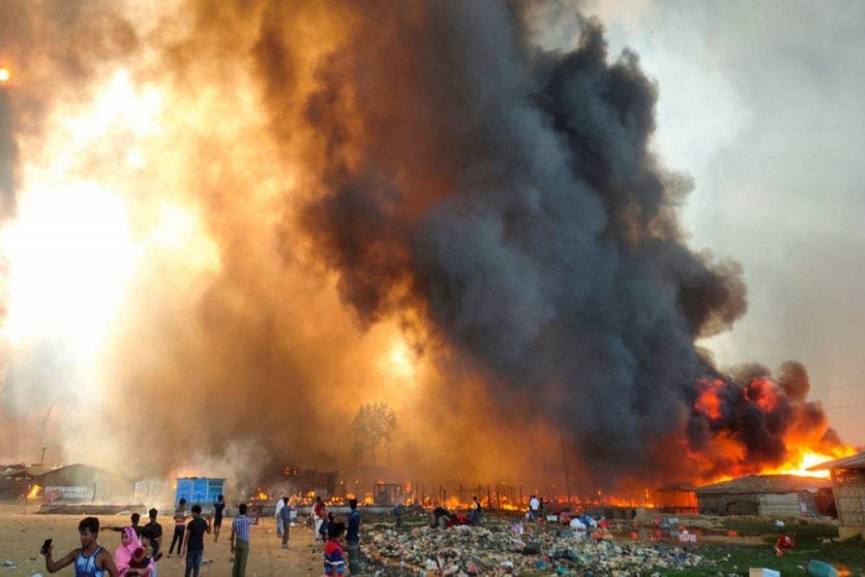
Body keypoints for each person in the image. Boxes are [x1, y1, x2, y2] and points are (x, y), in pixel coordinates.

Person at [42, 516, 120, 576]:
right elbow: (52, 568)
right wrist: (48, 556)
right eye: (81, 534)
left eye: (85, 534)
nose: (82, 537)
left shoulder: (103, 555)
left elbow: (116, 575)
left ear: (94, 534)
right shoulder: (76, 553)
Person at [181, 504, 210, 577]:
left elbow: (187, 536)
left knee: (188, 568)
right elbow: (209, 531)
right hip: (199, 548)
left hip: (191, 548)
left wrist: (184, 547)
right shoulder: (203, 522)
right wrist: (210, 522)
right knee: (196, 568)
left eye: (192, 513)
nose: (192, 514)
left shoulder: (191, 523)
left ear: (195, 513)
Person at [230, 503, 257, 577]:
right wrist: (257, 513)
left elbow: (232, 534)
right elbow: (256, 522)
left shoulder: (235, 521)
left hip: (238, 542)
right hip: (245, 543)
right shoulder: (247, 520)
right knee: (242, 563)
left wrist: (232, 545)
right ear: (245, 511)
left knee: (236, 562)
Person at [346, 498, 361, 574]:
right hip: (354, 537)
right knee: (353, 555)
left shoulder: (353, 516)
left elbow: (351, 528)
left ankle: (354, 572)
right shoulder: (356, 514)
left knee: (353, 555)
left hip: (352, 538)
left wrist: (347, 536)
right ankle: (354, 570)